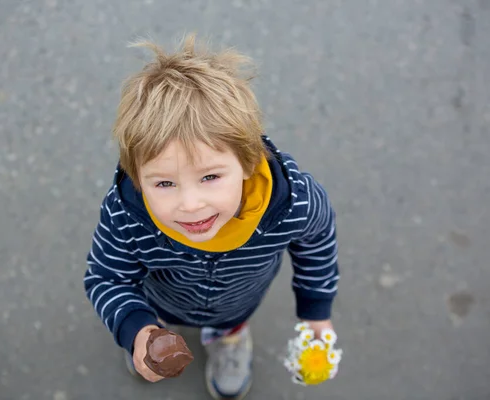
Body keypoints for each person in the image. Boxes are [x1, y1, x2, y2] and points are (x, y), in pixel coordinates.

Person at [83, 34, 340, 400]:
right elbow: (107, 277)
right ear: (139, 179)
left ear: (250, 161)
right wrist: (138, 330)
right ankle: (158, 335)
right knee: (158, 327)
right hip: (161, 302)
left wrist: (316, 309)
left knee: (229, 323)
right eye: (165, 183)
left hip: (239, 299)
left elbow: (317, 242)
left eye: (210, 177)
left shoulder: (293, 204)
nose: (190, 204)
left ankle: (228, 340)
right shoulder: (127, 215)